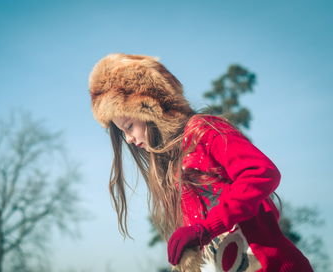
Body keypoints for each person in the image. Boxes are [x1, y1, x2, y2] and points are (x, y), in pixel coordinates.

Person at [88, 53, 313, 272]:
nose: (128, 139)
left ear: (153, 110)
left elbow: (260, 172)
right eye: (122, 132)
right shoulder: (175, 167)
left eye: (129, 126)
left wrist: (205, 229)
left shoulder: (204, 132)